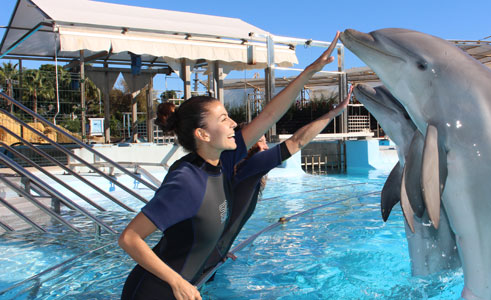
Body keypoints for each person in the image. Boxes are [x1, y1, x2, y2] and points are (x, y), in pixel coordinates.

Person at [119, 32, 342, 300]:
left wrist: (310, 71)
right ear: (202, 134)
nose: (233, 124)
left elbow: (269, 115)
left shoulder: (223, 160)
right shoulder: (186, 180)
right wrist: (177, 282)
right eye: (223, 119)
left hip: (189, 285)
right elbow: (129, 238)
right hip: (154, 293)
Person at [201, 86, 354, 284]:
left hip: (210, 256)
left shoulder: (236, 171)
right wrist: (334, 113)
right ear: (248, 147)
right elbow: (297, 141)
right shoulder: (252, 165)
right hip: (203, 262)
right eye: (262, 142)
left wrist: (221, 247)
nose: (265, 148)